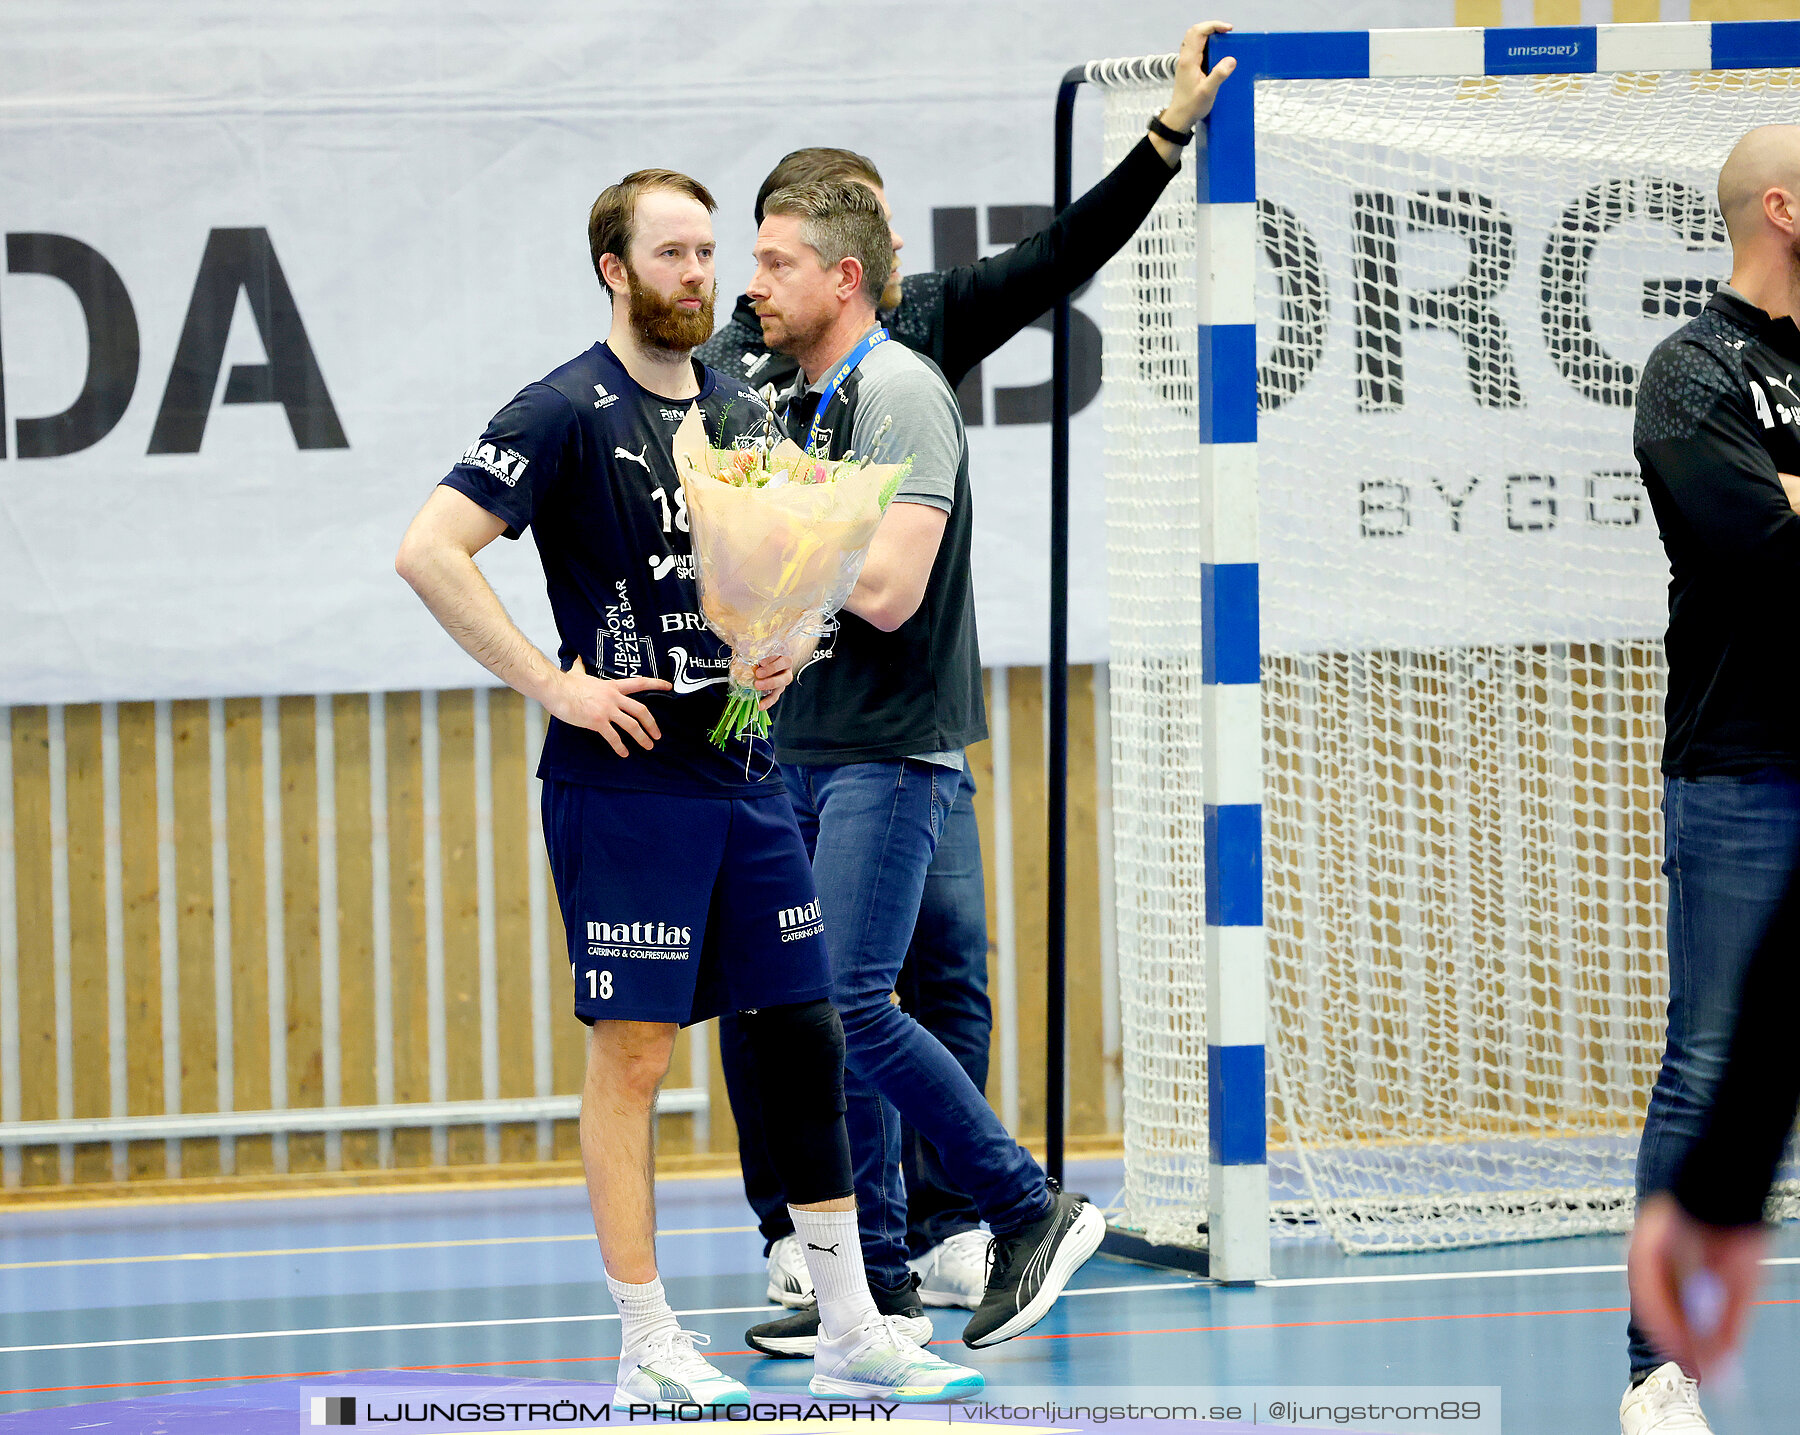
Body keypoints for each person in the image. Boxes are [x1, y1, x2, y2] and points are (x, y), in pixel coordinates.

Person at [394, 167, 982, 1405]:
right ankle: (649, 1342)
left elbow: (793, 568)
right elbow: (428, 551)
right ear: (616, 270)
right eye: (673, 255)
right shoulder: (561, 408)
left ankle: (848, 1322)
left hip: (745, 766)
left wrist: (792, 639)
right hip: (625, 784)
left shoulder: (736, 403)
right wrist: (552, 687)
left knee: (807, 1029)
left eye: (710, 253)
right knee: (639, 1052)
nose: (701, 276)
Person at [698, 17, 1238, 1316]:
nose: (866, 261)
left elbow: (1058, 258)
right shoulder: (738, 365)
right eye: (773, 251)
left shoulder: (910, 352)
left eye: (849, 245)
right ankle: (827, 1240)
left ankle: (964, 1219)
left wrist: (1165, 138)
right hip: (785, 724)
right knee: (796, 988)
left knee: (918, 975)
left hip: (905, 718)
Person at [736, 176, 1101, 1363]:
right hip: (819, 742)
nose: (754, 285)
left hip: (890, 754)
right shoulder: (809, 399)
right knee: (816, 1016)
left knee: (852, 1003)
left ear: (844, 278)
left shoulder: (899, 391)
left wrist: (785, 556)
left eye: (777, 263)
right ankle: (875, 1291)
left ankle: (1026, 1205)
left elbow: (888, 591)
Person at [1620, 123, 1800, 1435]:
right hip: (1746, 768)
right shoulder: (1692, 372)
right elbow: (1764, 555)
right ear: (1781, 209)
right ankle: (1661, 1360)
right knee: (1715, 1058)